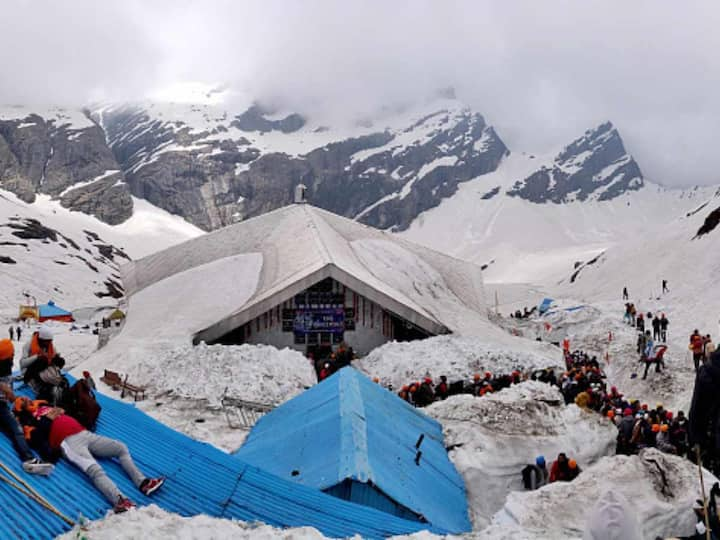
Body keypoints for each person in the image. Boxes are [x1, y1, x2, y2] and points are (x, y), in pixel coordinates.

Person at [22, 403, 164, 512]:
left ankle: (143, 483)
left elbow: (68, 407)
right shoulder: (31, 421)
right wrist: (47, 419)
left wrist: (60, 409)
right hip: (69, 442)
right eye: (23, 401)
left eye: (28, 399)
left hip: (85, 433)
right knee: (95, 470)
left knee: (120, 447)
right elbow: (37, 438)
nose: (27, 400)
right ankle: (120, 501)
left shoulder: (45, 403)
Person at [0, 339, 53, 475]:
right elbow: (9, 395)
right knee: (17, 430)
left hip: (4, 406)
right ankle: (28, 460)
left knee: (11, 429)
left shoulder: (5, 371)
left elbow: (10, 393)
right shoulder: (4, 371)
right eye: (11, 357)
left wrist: (16, 398)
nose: (12, 359)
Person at [20, 325, 67, 405]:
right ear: (41, 339)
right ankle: (40, 383)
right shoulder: (28, 345)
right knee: (42, 361)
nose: (49, 343)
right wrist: (37, 356)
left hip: (43, 368)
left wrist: (55, 358)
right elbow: (22, 364)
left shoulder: (49, 345)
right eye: (47, 341)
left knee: (60, 361)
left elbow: (54, 357)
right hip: (29, 371)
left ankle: (51, 380)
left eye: (50, 341)